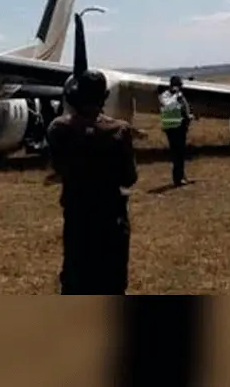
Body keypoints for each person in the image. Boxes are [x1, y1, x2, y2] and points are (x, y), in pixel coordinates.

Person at [45, 69, 138, 295]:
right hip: (110, 217)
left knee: (76, 279)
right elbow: (130, 177)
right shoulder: (119, 130)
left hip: (78, 216)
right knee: (112, 280)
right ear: (104, 97)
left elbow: (58, 167)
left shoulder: (59, 129)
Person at [158, 76, 194, 187]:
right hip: (175, 128)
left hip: (176, 127)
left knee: (179, 154)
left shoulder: (170, 96)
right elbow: (173, 107)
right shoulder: (171, 96)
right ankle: (178, 178)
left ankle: (181, 176)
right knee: (178, 154)